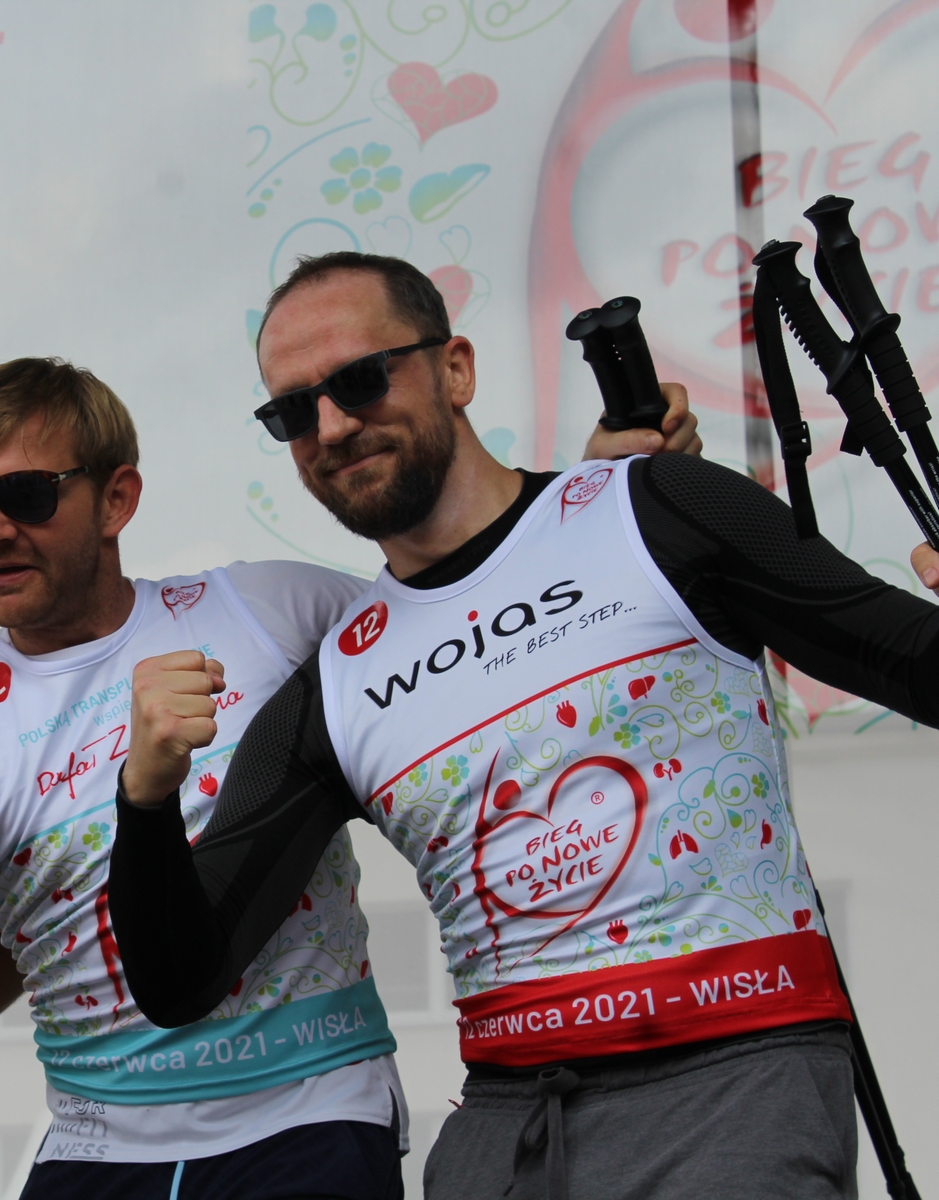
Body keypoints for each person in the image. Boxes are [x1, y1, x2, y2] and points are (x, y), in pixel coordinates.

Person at [104, 251, 939, 1200]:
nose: (331, 426)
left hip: (732, 1078)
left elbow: (912, 662)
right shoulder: (333, 685)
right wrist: (145, 797)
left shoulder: (656, 506)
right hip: (506, 1129)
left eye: (361, 379)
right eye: (294, 410)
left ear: (456, 369)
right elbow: (181, 979)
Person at [0, 351, 696, 1199]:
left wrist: (586, 507)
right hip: (97, 1142)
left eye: (27, 494)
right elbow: (21, 922)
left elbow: (483, 638)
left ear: (117, 499)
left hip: (308, 1111)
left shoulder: (268, 609)